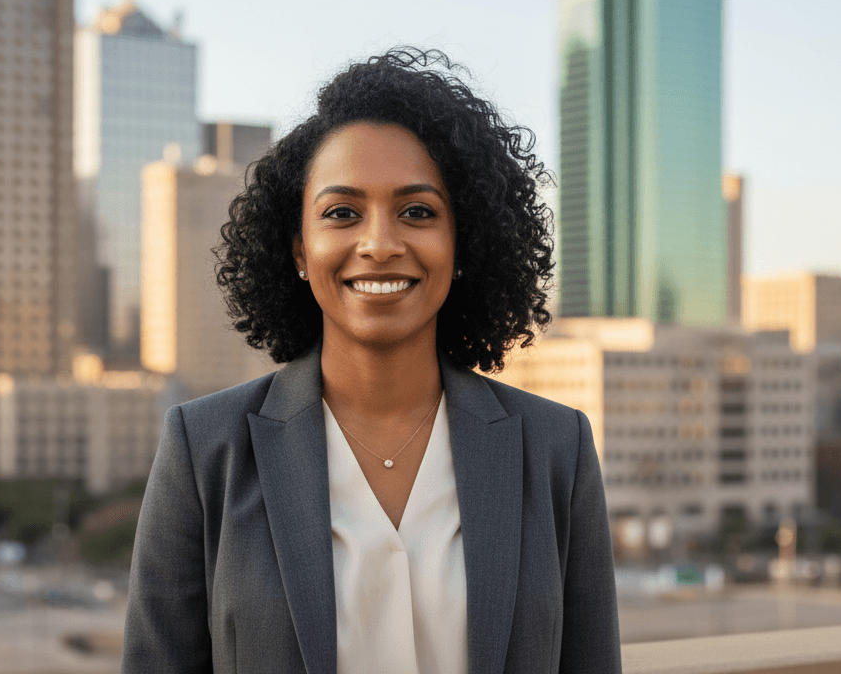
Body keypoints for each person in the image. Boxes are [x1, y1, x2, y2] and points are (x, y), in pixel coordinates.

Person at [122, 48, 621, 674]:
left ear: (464, 243)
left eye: (418, 212)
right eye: (342, 213)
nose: (380, 243)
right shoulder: (203, 450)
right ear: (300, 249)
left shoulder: (556, 449)